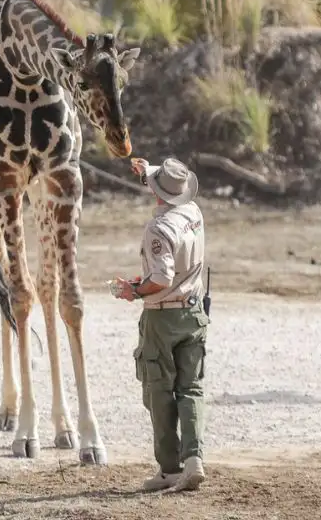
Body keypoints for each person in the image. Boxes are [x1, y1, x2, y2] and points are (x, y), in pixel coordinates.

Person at [112, 156, 209, 494]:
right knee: (191, 388)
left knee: (159, 392)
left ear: (157, 193)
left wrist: (133, 290)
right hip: (193, 314)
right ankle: (194, 459)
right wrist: (147, 171)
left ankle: (169, 469)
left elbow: (162, 278)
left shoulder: (159, 228)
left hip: (162, 316)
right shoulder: (193, 213)